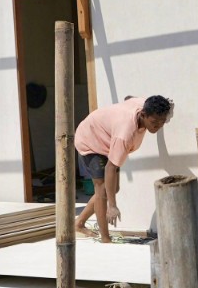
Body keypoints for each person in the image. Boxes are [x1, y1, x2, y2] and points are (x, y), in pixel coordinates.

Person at [74, 95, 173, 242]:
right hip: (90, 139)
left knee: (113, 189)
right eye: (154, 122)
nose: (157, 126)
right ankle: (105, 239)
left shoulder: (145, 104)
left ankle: (79, 223)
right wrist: (112, 206)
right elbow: (110, 167)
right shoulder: (125, 134)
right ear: (143, 114)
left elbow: (129, 97)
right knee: (102, 189)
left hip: (107, 139)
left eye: (162, 122)